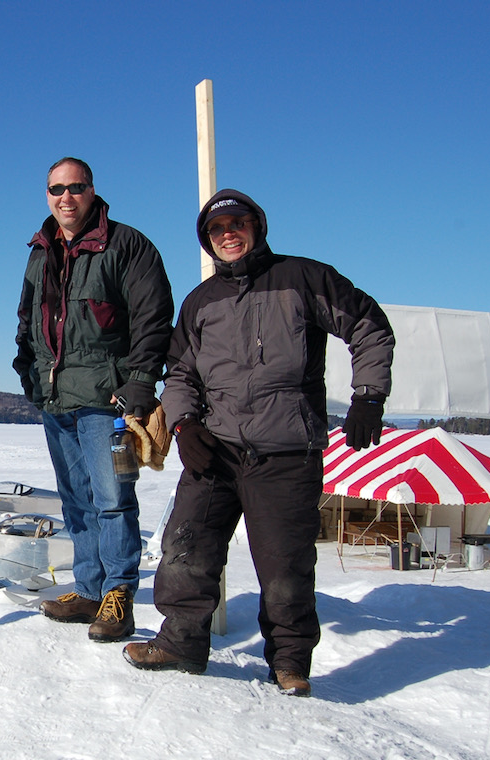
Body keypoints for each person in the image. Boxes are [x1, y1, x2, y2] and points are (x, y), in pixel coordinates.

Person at [123, 188, 394, 697]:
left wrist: (369, 396)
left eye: (237, 224)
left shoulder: (303, 278)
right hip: (216, 447)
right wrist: (184, 426)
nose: (228, 234)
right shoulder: (202, 301)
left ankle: (289, 663)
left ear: (257, 226)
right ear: (207, 240)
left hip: (286, 451)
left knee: (285, 564)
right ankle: (181, 642)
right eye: (216, 229)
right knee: (185, 547)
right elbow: (180, 372)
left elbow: (368, 325)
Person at [14, 157, 174, 642]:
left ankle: (118, 595)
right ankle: (88, 590)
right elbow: (27, 320)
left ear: (92, 190)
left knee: (112, 501)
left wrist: (140, 382)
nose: (66, 197)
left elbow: (153, 317)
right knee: (76, 502)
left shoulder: (126, 245)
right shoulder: (41, 252)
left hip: (108, 402)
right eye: (56, 189)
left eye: (75, 187)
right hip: (56, 399)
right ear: (47, 195)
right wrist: (28, 372)